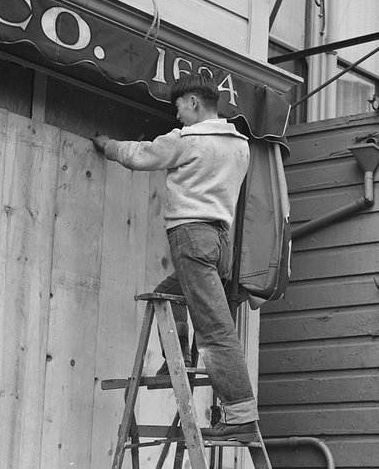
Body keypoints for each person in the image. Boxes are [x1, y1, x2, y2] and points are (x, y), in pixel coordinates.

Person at [91, 74, 258, 442]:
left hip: (190, 237)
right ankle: (177, 359)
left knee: (214, 329)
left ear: (195, 103)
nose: (177, 114)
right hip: (219, 241)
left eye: (179, 106)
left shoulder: (187, 140)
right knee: (167, 294)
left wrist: (107, 146)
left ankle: (240, 413)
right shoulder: (240, 147)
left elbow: (139, 155)